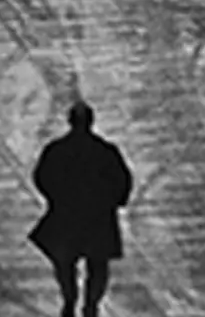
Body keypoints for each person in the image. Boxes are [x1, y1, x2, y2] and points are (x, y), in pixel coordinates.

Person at [29, 101, 133, 317]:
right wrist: (115, 201)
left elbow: (42, 177)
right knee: (98, 264)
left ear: (70, 121)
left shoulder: (56, 150)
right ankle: (91, 303)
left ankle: (70, 298)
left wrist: (55, 198)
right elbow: (122, 180)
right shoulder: (105, 151)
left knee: (64, 261)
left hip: (67, 214)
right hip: (98, 217)